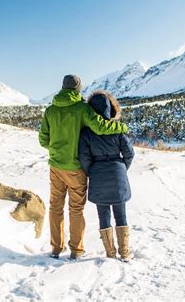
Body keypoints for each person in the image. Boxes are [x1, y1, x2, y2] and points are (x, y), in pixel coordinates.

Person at [38, 75, 128, 260]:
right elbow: (101, 127)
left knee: (55, 207)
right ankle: (76, 251)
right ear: (78, 89)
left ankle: (56, 248)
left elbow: (43, 140)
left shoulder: (50, 110)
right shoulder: (82, 108)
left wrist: (57, 150)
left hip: (55, 166)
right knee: (76, 209)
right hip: (75, 167)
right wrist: (122, 129)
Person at [78, 90, 135, 262]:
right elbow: (129, 154)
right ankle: (124, 252)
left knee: (103, 215)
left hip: (97, 173)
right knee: (121, 215)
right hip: (117, 172)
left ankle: (110, 253)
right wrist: (121, 168)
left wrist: (92, 172)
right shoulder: (117, 131)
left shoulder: (86, 133)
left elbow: (84, 158)